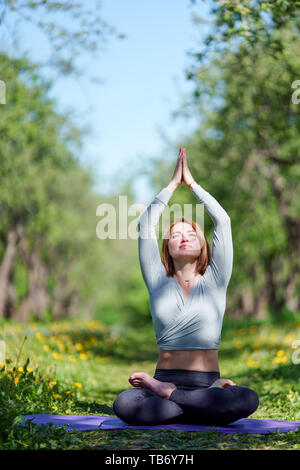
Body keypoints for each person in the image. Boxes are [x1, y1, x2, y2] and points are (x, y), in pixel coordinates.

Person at [113, 148, 259, 426]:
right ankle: (201, 405)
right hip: (170, 379)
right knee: (124, 403)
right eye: (175, 235)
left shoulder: (216, 280)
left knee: (248, 399)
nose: (183, 238)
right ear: (166, 246)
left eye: (191, 233)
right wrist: (171, 185)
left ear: (202, 244)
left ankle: (173, 396)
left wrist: (193, 185)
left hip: (202, 383)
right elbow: (146, 225)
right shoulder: (157, 279)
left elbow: (223, 222)